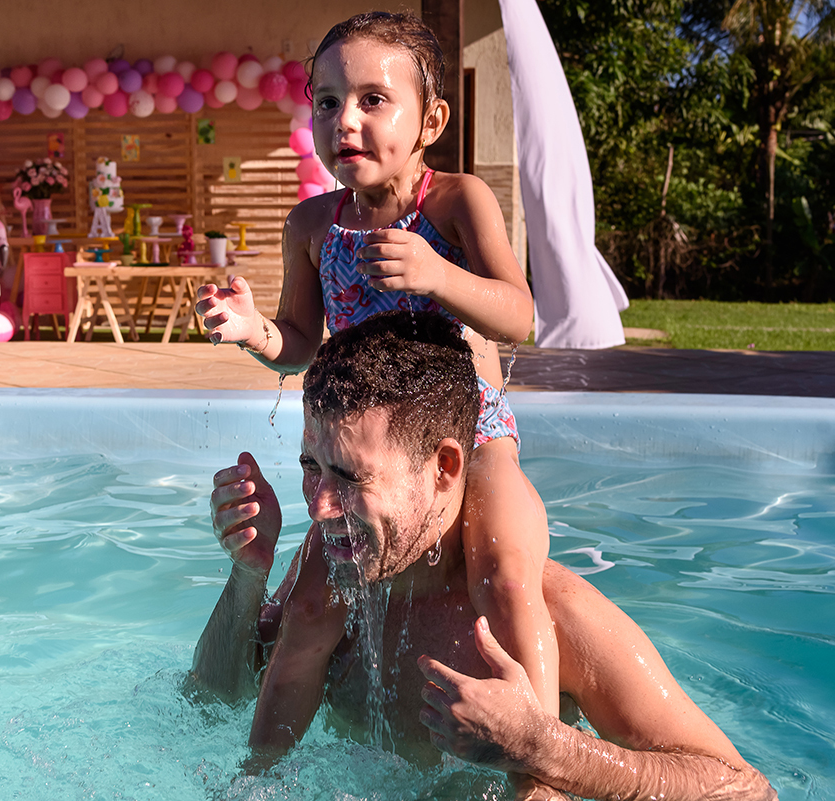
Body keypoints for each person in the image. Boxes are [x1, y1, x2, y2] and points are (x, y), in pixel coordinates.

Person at [191, 310, 776, 801]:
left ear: (445, 467)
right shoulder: (338, 576)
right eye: (309, 466)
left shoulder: (554, 613)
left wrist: (543, 747)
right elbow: (211, 701)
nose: (319, 507)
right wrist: (248, 575)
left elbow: (746, 788)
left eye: (348, 476)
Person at [195, 9, 558, 742]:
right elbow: (299, 341)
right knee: (305, 610)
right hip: (370, 455)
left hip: (470, 429)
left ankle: (538, 751)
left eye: (372, 99)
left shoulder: (456, 204)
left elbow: (516, 314)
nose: (345, 120)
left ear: (431, 119)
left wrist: (437, 273)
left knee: (510, 576)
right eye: (327, 101)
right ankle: (257, 776)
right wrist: (252, 331)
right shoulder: (312, 225)